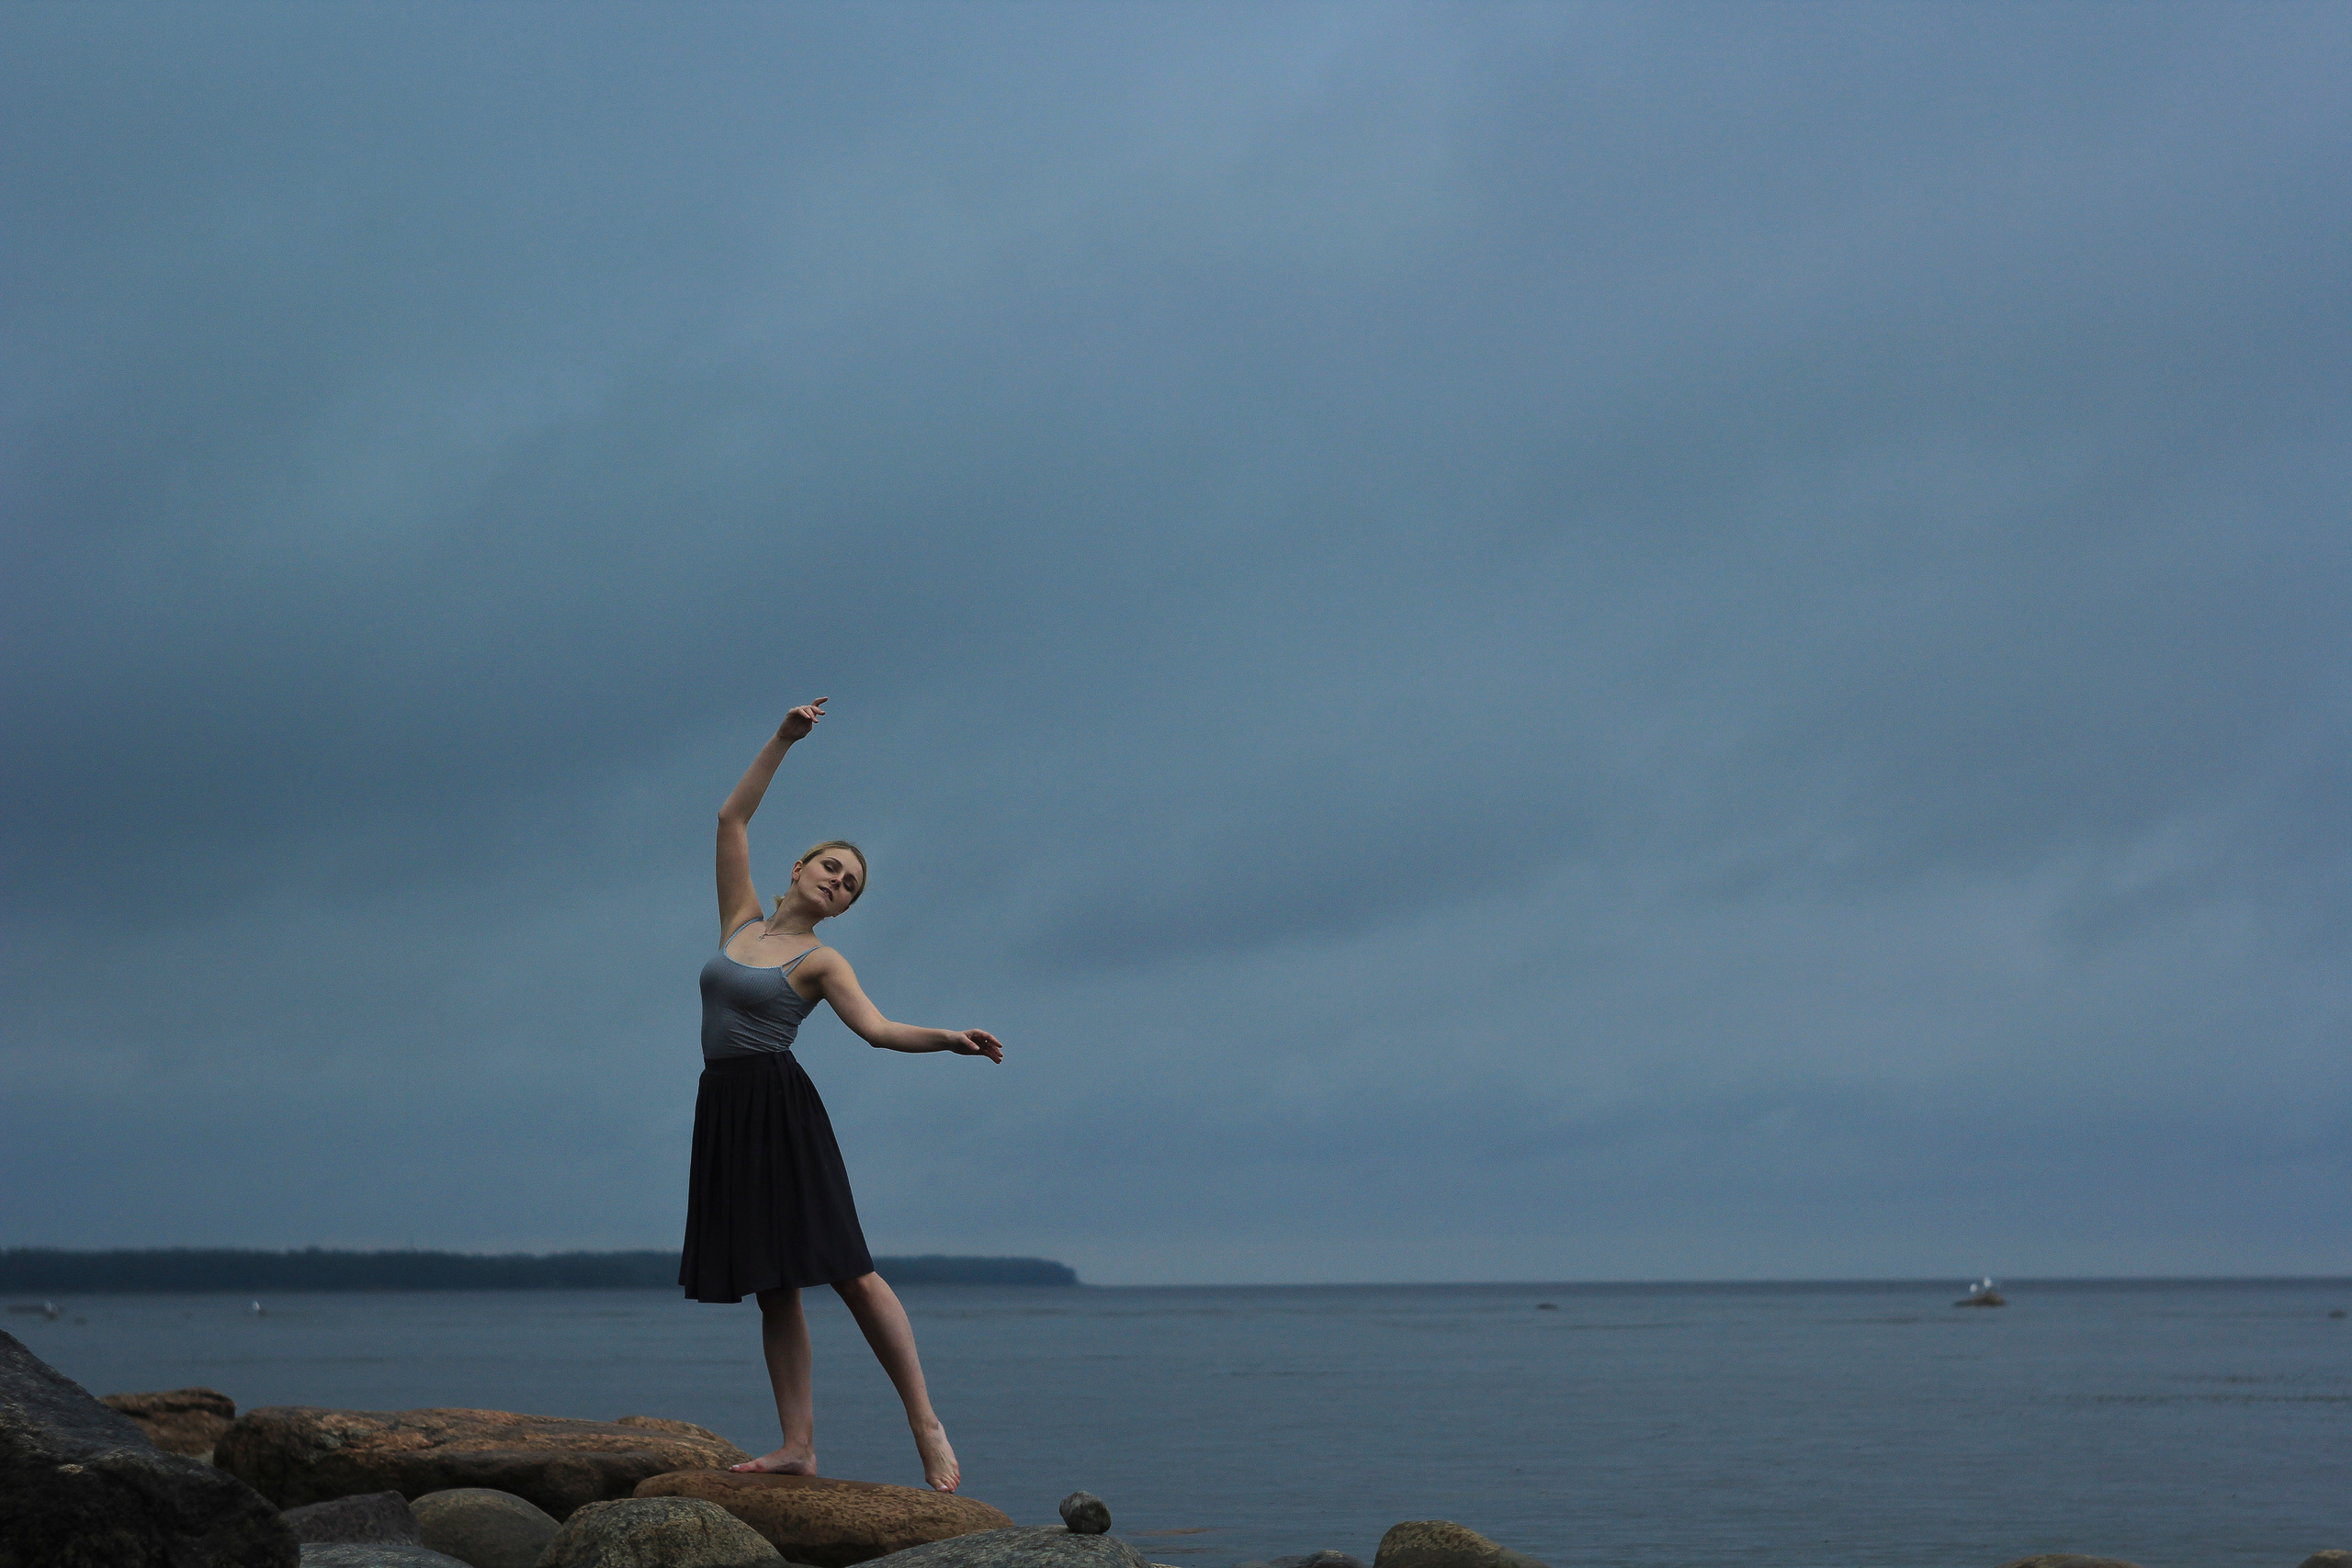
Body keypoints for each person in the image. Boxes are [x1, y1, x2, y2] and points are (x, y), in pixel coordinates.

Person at [680, 697, 1004, 1492]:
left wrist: (948, 1037)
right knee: (775, 1287)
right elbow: (730, 819)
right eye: (832, 868)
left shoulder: (821, 964)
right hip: (723, 1108)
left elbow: (879, 1029)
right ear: (799, 868)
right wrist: (784, 739)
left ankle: (924, 1421)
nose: (839, 883)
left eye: (852, 886)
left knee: (850, 1272)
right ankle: (799, 1444)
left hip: (781, 1113)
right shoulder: (739, 923)